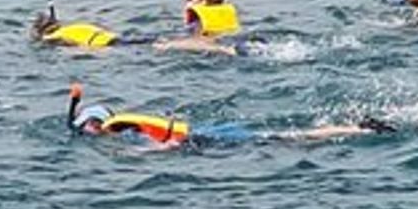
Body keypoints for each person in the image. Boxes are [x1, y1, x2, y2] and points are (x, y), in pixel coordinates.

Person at [64, 84, 394, 148]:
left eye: (89, 127)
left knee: (287, 139)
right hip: (206, 129)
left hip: (206, 137)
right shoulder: (124, 125)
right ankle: (354, 127)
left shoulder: (123, 130)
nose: (90, 132)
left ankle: (358, 130)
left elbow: (164, 145)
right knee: (287, 136)